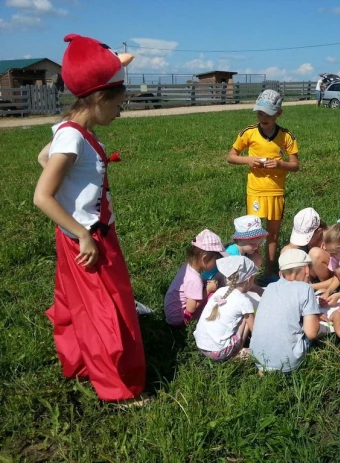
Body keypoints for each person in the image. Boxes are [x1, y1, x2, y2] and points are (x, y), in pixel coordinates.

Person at [32, 34, 145, 402]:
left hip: (91, 234)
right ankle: (118, 389)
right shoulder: (73, 138)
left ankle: (80, 363)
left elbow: (40, 158)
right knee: (105, 315)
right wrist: (81, 233)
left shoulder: (75, 130)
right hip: (87, 241)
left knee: (84, 307)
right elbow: (41, 196)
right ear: (98, 99)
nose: (120, 111)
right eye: (119, 104)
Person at [226, 89, 299, 281]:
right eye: (260, 113)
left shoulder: (286, 136)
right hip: (256, 191)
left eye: (268, 113)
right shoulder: (248, 132)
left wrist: (281, 164)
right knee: (253, 235)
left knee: (273, 234)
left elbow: (295, 165)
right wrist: (248, 160)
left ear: (279, 113)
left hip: (275, 191)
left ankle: (269, 271)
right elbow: (231, 157)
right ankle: (249, 274)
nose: (263, 117)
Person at [250, 249, 321, 373]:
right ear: (307, 270)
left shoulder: (270, 287)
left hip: (257, 358)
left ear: (280, 274)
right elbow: (311, 333)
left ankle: (265, 369)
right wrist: (316, 318)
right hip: (288, 362)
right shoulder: (305, 288)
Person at [194, 256, 258, 361]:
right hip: (219, 351)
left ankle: (233, 349)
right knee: (247, 319)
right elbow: (254, 329)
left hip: (202, 345)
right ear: (249, 279)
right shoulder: (243, 301)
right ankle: (238, 352)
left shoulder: (220, 291)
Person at [164, 229, 228, 327]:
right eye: (215, 260)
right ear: (205, 259)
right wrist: (208, 289)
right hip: (179, 319)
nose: (216, 264)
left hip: (171, 313)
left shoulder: (187, 267)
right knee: (213, 296)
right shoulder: (194, 279)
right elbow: (191, 308)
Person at [312, 219, 340, 305]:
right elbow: (337, 276)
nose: (330, 256)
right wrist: (328, 292)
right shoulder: (336, 256)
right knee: (339, 270)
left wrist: (339, 295)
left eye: (333, 253)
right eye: (329, 253)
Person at [280, 207, 330, 282]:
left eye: (307, 237)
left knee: (315, 253)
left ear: (319, 232)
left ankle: (325, 287)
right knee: (286, 252)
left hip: (329, 276)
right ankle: (292, 285)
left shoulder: (332, 237)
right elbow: (291, 247)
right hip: (310, 273)